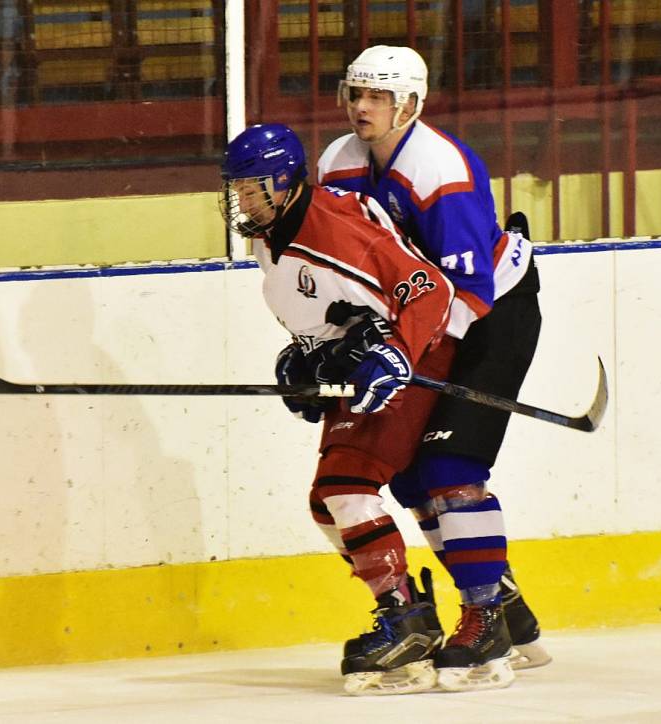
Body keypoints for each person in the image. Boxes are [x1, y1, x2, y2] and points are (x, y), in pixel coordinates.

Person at [317, 45, 550, 689]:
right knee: (414, 479)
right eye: (354, 93)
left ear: (411, 104)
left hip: (493, 316)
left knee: (451, 468)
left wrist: (398, 353)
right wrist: (339, 341)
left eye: (378, 96)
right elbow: (349, 265)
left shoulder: (439, 169)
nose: (361, 107)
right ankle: (506, 605)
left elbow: (469, 295)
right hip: (424, 322)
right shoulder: (339, 162)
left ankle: (483, 619)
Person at [219, 123, 463, 695]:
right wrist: (307, 358)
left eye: (252, 187)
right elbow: (329, 308)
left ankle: (404, 620)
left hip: (418, 358)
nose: (242, 199)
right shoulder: (270, 231)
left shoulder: (332, 229)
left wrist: (397, 355)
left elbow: (427, 290)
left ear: (284, 182)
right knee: (327, 504)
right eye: (237, 189)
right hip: (366, 362)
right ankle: (421, 614)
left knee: (346, 488)